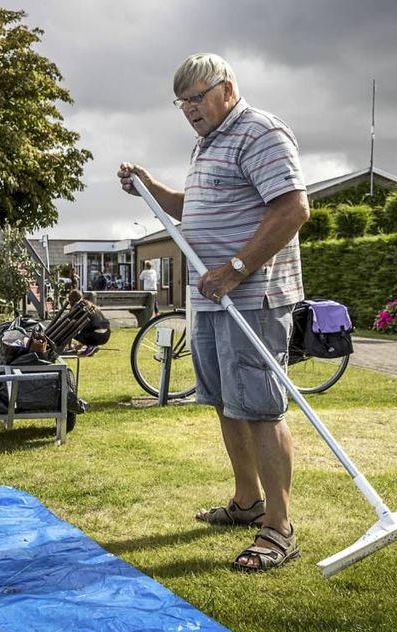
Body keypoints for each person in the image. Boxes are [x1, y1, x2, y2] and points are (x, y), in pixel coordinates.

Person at [117, 53, 310, 573]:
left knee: (262, 409)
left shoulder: (259, 132)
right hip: (212, 299)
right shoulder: (209, 143)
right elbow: (194, 209)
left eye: (197, 97)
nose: (188, 109)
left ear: (226, 88)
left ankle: (279, 525)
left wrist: (236, 268)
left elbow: (293, 208)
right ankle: (247, 503)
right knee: (227, 403)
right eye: (181, 102)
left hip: (252, 296)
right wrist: (151, 188)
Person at [66, 289, 110, 356]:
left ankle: (91, 345)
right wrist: (82, 344)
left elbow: (70, 327)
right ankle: (91, 345)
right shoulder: (89, 304)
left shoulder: (77, 308)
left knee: (72, 332)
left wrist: (69, 346)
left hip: (96, 335)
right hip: (106, 333)